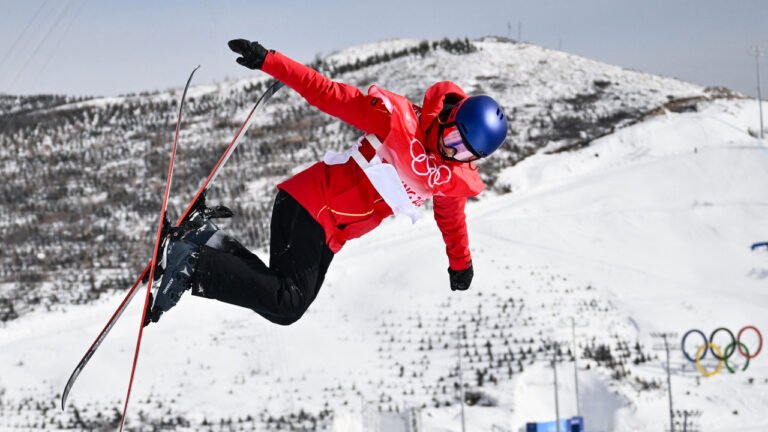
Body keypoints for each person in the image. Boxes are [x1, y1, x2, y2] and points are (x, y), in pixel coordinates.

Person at [145, 39, 509, 326]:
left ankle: (205, 241)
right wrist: (269, 61)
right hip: (312, 204)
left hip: (331, 230)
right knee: (287, 302)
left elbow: (452, 219)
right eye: (454, 137)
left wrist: (461, 263)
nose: (451, 150)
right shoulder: (398, 122)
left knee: (282, 307)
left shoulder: (449, 176)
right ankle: (191, 264)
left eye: (465, 152)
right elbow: (328, 93)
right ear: (450, 117)